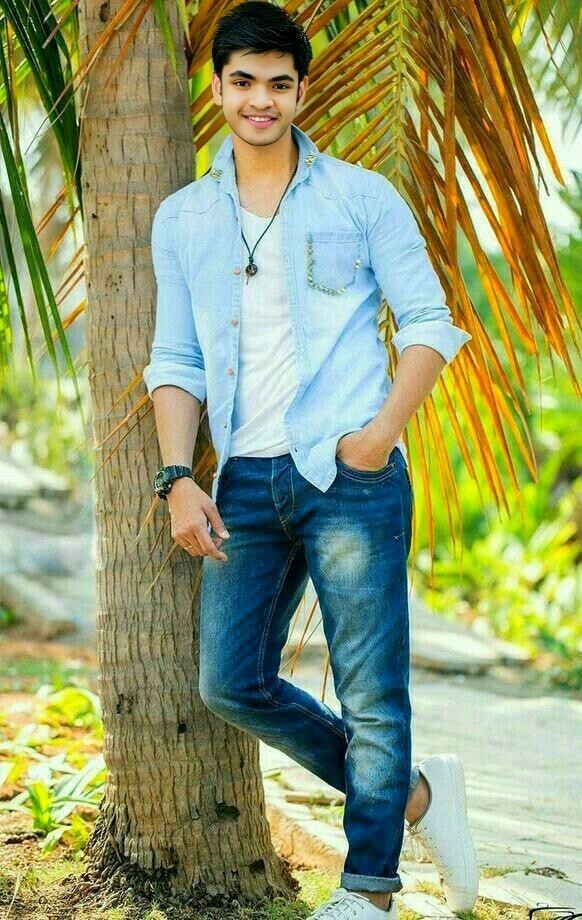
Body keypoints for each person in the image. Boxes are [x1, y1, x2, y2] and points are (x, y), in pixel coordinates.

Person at [143, 2, 479, 917]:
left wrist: (375, 439)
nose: (261, 100)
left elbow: (431, 325)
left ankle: (368, 890)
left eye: (279, 84)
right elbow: (175, 359)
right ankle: (414, 796)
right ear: (218, 88)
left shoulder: (360, 197)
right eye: (243, 82)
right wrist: (178, 478)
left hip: (349, 476)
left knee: (372, 691)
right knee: (230, 682)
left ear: (301, 91)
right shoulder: (183, 218)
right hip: (244, 482)